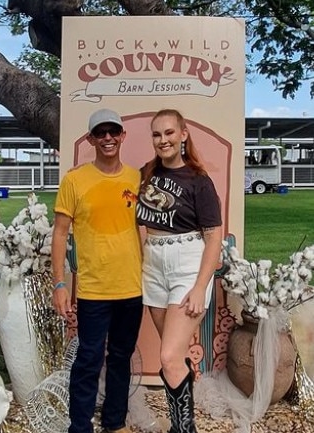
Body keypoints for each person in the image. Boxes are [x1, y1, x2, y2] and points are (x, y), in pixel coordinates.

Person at [51, 108, 143, 433]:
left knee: (121, 358)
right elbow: (60, 233)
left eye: (113, 132)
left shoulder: (137, 178)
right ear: (90, 139)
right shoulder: (75, 180)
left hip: (132, 287)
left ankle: (115, 423)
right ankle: (80, 426)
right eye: (100, 133)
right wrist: (59, 283)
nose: (107, 138)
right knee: (89, 360)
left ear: (122, 136)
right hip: (93, 290)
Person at [136, 109, 222, 433]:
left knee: (169, 356)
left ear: (183, 134)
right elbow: (137, 220)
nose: (163, 140)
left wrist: (200, 287)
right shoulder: (146, 173)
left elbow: (214, 237)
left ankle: (184, 430)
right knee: (176, 356)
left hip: (187, 264)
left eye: (169, 133)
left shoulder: (199, 180)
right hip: (153, 266)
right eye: (157, 134)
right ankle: (180, 425)